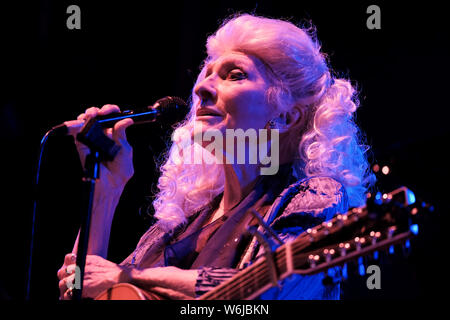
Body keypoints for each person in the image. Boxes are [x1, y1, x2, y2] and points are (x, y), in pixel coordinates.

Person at [57, 13, 375, 300]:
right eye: (207, 74)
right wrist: (104, 188)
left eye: (234, 74)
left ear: (287, 116)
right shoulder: (181, 227)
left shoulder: (315, 197)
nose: (201, 89)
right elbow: (77, 292)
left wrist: (134, 277)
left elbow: (265, 291)